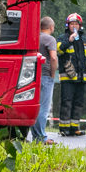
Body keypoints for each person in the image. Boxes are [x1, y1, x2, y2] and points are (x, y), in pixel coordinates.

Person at [55, 12, 86, 136]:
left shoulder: (84, 40)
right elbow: (58, 50)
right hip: (67, 77)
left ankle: (74, 127)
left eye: (76, 23)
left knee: (79, 102)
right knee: (67, 101)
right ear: (68, 25)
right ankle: (64, 128)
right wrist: (69, 41)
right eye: (72, 24)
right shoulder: (62, 38)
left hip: (82, 77)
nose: (74, 26)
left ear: (80, 25)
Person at [31, 16, 57, 145]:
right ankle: (41, 137)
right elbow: (53, 57)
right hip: (45, 75)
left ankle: (36, 135)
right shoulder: (50, 39)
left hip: (32, 75)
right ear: (51, 27)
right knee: (43, 108)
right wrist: (53, 73)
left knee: (34, 107)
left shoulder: (34, 37)